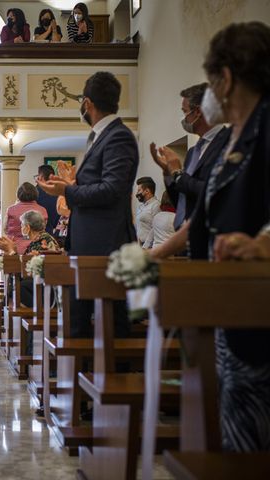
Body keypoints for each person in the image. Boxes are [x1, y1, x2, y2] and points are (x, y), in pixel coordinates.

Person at [151, 22, 270, 452]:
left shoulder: (265, 126)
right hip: (230, 303)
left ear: (227, 79)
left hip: (258, 305)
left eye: (210, 86)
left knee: (253, 442)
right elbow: (199, 219)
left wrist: (261, 243)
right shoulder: (235, 137)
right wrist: (153, 256)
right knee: (234, 431)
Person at [37, 71, 138, 338]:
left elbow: (112, 190)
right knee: (78, 321)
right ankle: (80, 375)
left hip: (105, 245)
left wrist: (68, 190)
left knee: (111, 326)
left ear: (88, 103)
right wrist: (71, 185)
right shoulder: (100, 137)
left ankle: (113, 377)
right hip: (90, 245)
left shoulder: (118, 136)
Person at [150, 82, 229, 231]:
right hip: (184, 235)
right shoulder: (193, 151)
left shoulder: (228, 142)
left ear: (197, 112)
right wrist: (168, 173)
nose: (183, 118)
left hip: (212, 233)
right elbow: (182, 200)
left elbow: (216, 191)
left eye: (184, 111)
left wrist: (178, 174)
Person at [0, 210, 60, 307]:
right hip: (43, 285)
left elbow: (26, 270)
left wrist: (12, 251)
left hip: (49, 289)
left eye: (22, 225)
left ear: (28, 227)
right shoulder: (40, 239)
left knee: (19, 287)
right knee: (16, 285)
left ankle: (21, 311)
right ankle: (7, 307)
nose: (21, 228)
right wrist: (13, 251)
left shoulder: (42, 241)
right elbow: (25, 264)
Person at [4, 182, 48, 255]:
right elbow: (42, 231)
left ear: (18, 195)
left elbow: (5, 229)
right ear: (36, 193)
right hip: (36, 250)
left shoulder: (11, 210)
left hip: (15, 249)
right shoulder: (42, 210)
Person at [135, 176, 160, 246]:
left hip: (150, 246)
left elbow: (155, 228)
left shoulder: (156, 205)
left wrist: (146, 246)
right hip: (139, 244)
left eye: (139, 190)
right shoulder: (140, 207)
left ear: (147, 191)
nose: (137, 193)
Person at [35, 165, 59, 234]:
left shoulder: (35, 192)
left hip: (37, 233)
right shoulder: (59, 192)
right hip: (54, 232)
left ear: (41, 177)